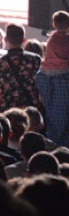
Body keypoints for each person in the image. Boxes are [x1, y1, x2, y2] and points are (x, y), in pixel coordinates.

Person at [37, 10, 69, 146]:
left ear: (54, 24)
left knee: (50, 113)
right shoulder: (67, 40)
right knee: (62, 115)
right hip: (62, 78)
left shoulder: (51, 38)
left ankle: (52, 142)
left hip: (44, 76)